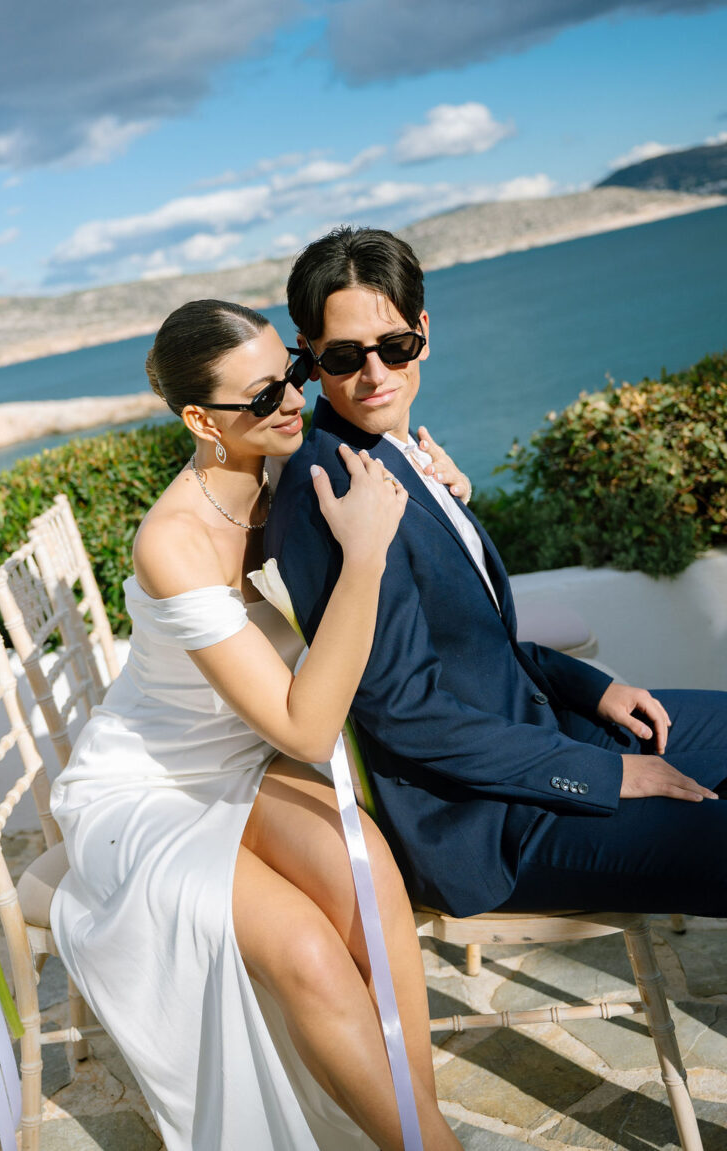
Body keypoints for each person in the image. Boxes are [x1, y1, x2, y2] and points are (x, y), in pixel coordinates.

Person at [49, 299, 463, 1151]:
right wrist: (365, 556)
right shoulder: (173, 542)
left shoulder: (295, 466)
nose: (294, 401)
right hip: (151, 789)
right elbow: (307, 731)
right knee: (306, 949)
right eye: (265, 393)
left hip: (248, 756)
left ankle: (418, 1131)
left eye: (294, 375)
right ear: (202, 420)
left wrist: (440, 486)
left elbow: (391, 456)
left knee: (369, 879)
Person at [266, 225, 727, 921]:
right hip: (488, 821)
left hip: (542, 728)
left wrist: (592, 687)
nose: (376, 375)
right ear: (309, 354)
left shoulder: (401, 453)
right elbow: (407, 712)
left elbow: (472, 643)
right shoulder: (333, 491)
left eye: (395, 346)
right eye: (344, 355)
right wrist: (608, 774)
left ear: (423, 332)